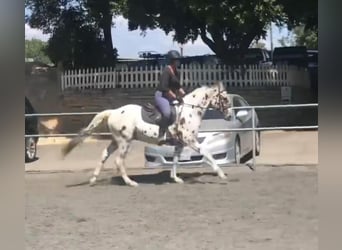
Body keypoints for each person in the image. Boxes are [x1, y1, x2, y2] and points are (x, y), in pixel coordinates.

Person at [154, 50, 186, 142]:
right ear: (172, 61)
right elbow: (164, 87)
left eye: (178, 60)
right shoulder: (166, 71)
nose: (178, 61)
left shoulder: (177, 72)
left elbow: (177, 86)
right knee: (167, 113)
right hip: (161, 96)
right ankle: (161, 133)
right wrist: (175, 97)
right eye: (177, 60)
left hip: (170, 96)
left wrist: (184, 94)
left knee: (179, 111)